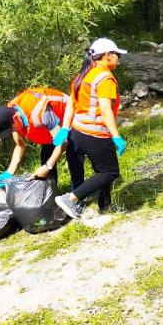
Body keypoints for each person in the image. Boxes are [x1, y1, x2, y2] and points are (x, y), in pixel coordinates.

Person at [55, 38, 127, 218]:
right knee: (110, 172)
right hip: (96, 133)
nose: (119, 59)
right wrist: (116, 136)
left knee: (101, 170)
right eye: (117, 55)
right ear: (108, 56)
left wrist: (65, 128)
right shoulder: (105, 78)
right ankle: (71, 199)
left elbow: (71, 103)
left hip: (78, 131)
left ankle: (105, 205)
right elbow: (105, 110)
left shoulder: (83, 74)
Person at [0, 88, 84, 188]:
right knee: (46, 157)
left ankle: (78, 195)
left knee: (73, 157)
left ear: (16, 118)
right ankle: (51, 193)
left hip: (71, 118)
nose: (12, 132)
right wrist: (9, 172)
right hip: (49, 128)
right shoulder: (10, 113)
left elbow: (63, 142)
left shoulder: (39, 112)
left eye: (11, 130)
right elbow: (20, 145)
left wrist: (48, 167)